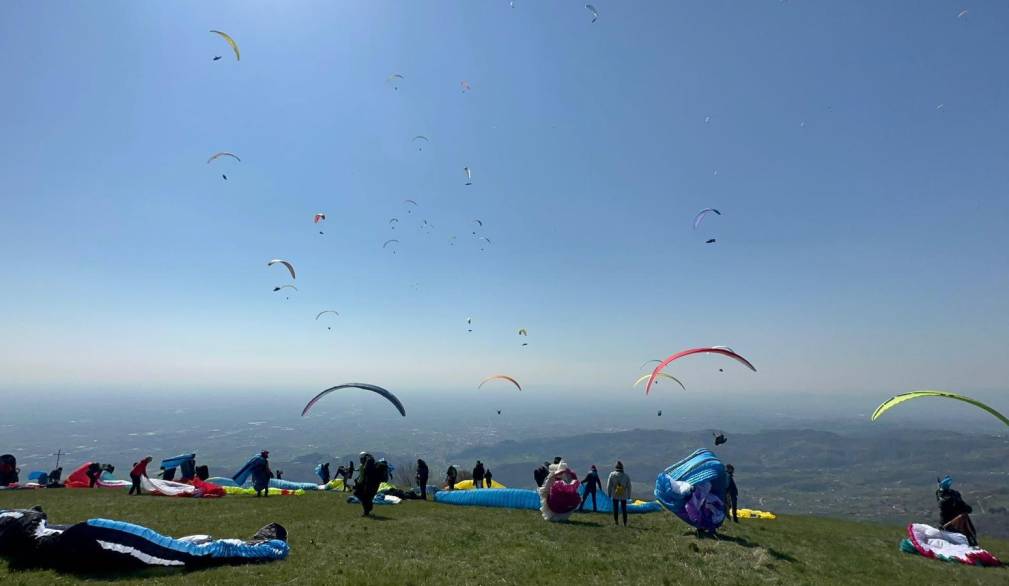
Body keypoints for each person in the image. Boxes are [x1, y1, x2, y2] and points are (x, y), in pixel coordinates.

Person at [936, 475, 978, 546]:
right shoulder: (950, 499)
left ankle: (970, 540)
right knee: (963, 516)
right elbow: (966, 509)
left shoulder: (941, 495)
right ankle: (971, 540)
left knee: (963, 515)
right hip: (949, 525)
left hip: (944, 524)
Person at [354, 453, 380, 517]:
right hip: (374, 485)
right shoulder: (373, 466)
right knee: (368, 498)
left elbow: (362, 478)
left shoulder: (363, 466)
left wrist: (357, 484)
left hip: (366, 485)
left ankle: (366, 512)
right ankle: (368, 510)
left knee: (361, 496)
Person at [606, 461, 631, 527]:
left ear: (616, 467)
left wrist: (609, 493)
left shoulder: (612, 475)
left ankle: (616, 522)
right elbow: (629, 486)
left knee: (615, 508)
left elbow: (609, 485)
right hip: (624, 494)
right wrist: (629, 495)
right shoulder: (626, 476)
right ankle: (625, 523)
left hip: (615, 494)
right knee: (624, 509)